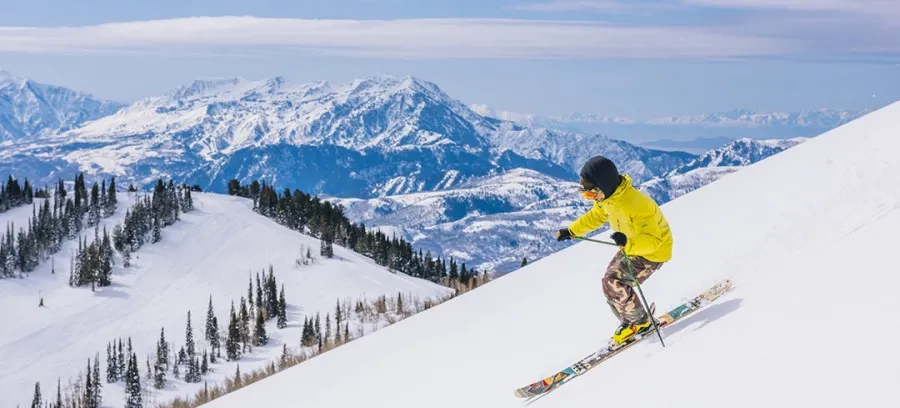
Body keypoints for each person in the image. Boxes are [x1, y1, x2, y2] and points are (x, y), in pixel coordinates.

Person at [556, 155, 673, 345]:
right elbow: (595, 216)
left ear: (604, 185)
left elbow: (654, 241)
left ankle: (639, 322)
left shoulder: (636, 205)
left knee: (614, 282)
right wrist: (572, 231)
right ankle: (632, 321)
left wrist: (627, 242)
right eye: (587, 195)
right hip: (632, 246)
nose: (591, 198)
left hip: (653, 252)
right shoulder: (608, 199)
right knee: (609, 283)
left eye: (591, 194)